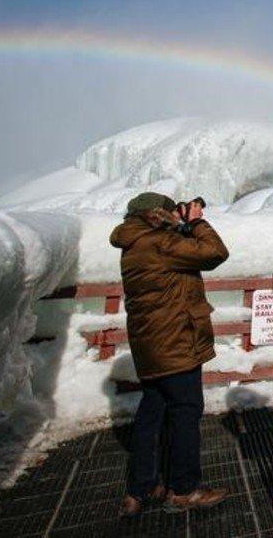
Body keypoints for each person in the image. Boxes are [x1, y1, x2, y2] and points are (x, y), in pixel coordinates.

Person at [109, 192, 230, 517]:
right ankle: (184, 489)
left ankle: (141, 487)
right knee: (186, 412)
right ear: (156, 216)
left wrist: (179, 225)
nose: (177, 215)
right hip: (176, 344)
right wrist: (197, 222)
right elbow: (215, 253)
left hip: (150, 346)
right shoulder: (161, 244)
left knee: (151, 414)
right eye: (171, 211)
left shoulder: (135, 244)